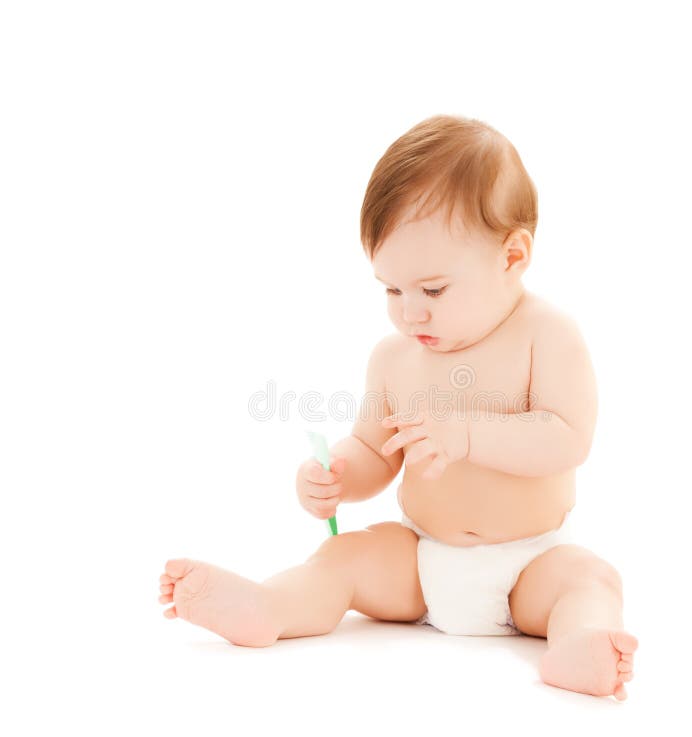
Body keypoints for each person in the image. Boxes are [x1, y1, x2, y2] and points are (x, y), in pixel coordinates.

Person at [158, 114, 638, 700]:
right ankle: (270, 607)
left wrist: (466, 434)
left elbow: (568, 437)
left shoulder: (547, 335)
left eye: (433, 290)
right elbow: (374, 450)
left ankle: (578, 645)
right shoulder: (394, 357)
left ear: (512, 256)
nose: (410, 313)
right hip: (422, 560)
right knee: (345, 556)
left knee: (589, 579)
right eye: (391, 289)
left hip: (528, 564)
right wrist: (337, 474)